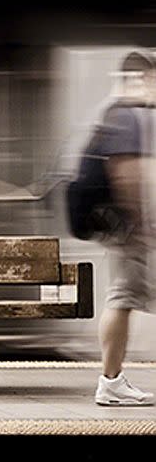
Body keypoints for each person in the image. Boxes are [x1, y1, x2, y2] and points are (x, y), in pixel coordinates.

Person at [93, 50, 156, 406]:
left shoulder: (119, 115)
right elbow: (127, 173)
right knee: (121, 298)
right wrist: (138, 224)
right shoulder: (127, 116)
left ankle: (111, 380)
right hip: (131, 231)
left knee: (122, 298)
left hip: (126, 230)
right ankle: (110, 381)